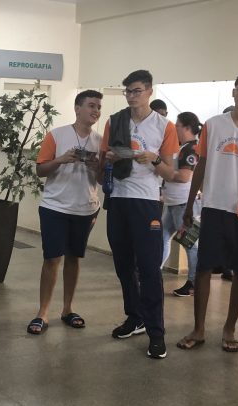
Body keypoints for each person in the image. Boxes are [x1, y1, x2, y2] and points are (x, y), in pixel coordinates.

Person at [177, 72, 238, 351]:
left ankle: (230, 328)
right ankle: (198, 329)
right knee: (204, 267)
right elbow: (201, 165)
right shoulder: (213, 125)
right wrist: (189, 205)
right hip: (214, 207)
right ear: (233, 92)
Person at [101, 70, 179, 359]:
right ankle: (135, 317)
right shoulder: (115, 121)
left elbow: (170, 173)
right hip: (118, 198)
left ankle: (156, 333)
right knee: (123, 265)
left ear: (149, 91)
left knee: (148, 268)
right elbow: (103, 159)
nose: (131, 96)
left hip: (146, 201)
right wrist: (109, 159)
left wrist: (154, 159)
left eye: (136, 91)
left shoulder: (164, 126)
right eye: (128, 91)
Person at [27, 90, 103, 334]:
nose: (96, 111)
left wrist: (96, 166)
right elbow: (40, 170)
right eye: (91, 105)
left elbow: (103, 179)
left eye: (98, 107)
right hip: (55, 206)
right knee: (52, 258)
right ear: (77, 108)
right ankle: (42, 313)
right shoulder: (56, 135)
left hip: (86, 208)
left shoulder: (100, 141)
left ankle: (68, 309)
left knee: (74, 258)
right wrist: (60, 159)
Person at [161, 112, 202, 297]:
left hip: (184, 204)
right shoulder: (182, 147)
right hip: (172, 203)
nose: (174, 128)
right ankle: (153, 271)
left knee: (190, 244)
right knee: (162, 236)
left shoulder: (191, 149)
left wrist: (165, 171)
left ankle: (193, 283)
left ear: (186, 127)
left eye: (177, 125)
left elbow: (185, 177)